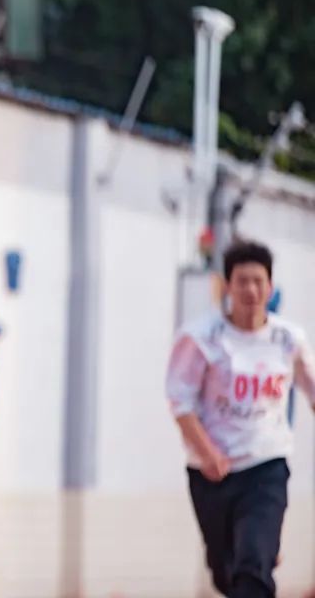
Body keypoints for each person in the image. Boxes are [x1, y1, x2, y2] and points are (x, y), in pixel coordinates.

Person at [166, 240, 315, 598]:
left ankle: (262, 548)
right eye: (242, 281)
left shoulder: (288, 339)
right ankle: (257, 551)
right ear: (227, 287)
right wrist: (207, 452)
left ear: (270, 287)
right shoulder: (201, 339)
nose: (250, 289)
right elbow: (180, 402)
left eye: (258, 281)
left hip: (266, 465)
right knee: (225, 571)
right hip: (212, 472)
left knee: (252, 567)